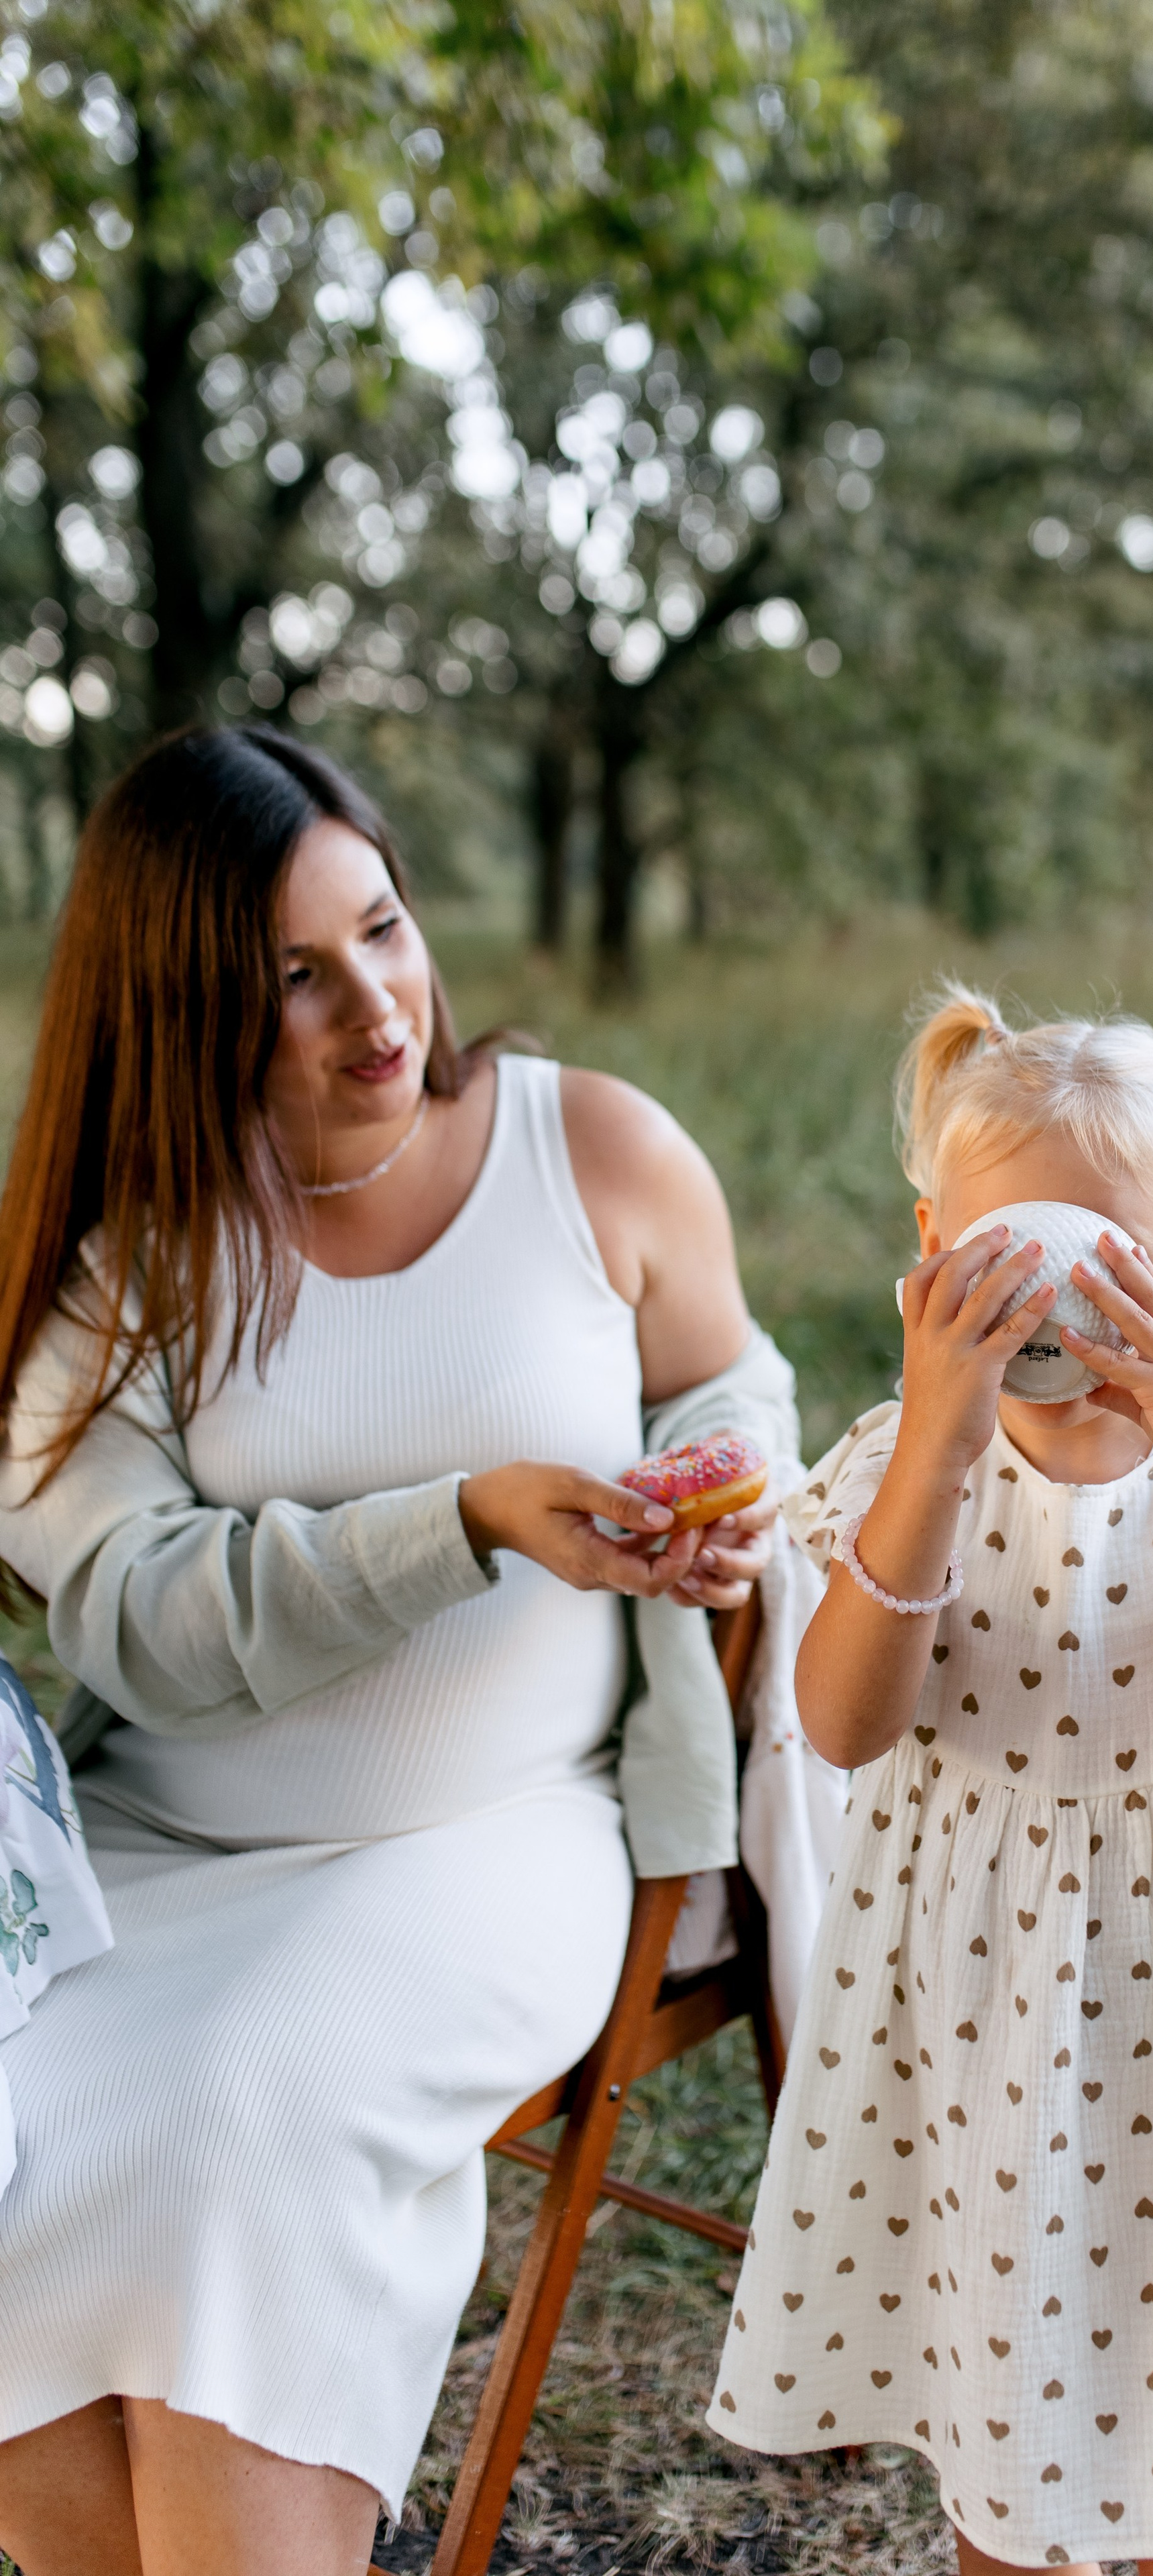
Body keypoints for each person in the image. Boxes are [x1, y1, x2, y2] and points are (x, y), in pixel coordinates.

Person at [0, 727, 795, 2576]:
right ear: (183, 1008)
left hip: (495, 1839)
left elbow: (726, 1375)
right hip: (163, 1859)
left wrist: (735, 1477)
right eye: (293, 975)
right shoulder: (127, 1266)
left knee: (238, 2113)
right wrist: (460, 1520)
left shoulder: (589, 1147)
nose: (375, 1005)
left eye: (383, 927)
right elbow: (134, 1610)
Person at [708, 985, 1153, 2576]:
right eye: (995, 1267)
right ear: (930, 1255)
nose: (1039, 1322)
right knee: (1001, 2462)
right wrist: (938, 1455)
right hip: (971, 2011)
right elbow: (846, 1725)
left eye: (1090, 1273)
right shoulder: (897, 1466)